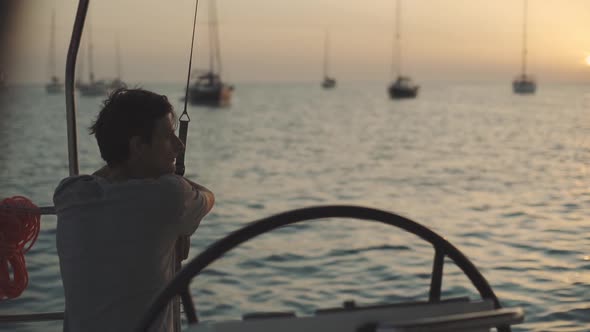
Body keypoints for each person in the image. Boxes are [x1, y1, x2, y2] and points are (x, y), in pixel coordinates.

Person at [53, 88, 215, 332]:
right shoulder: (170, 196)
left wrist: (124, 161)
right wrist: (172, 178)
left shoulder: (69, 194)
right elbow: (209, 197)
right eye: (168, 136)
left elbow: (111, 171)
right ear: (138, 145)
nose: (179, 145)